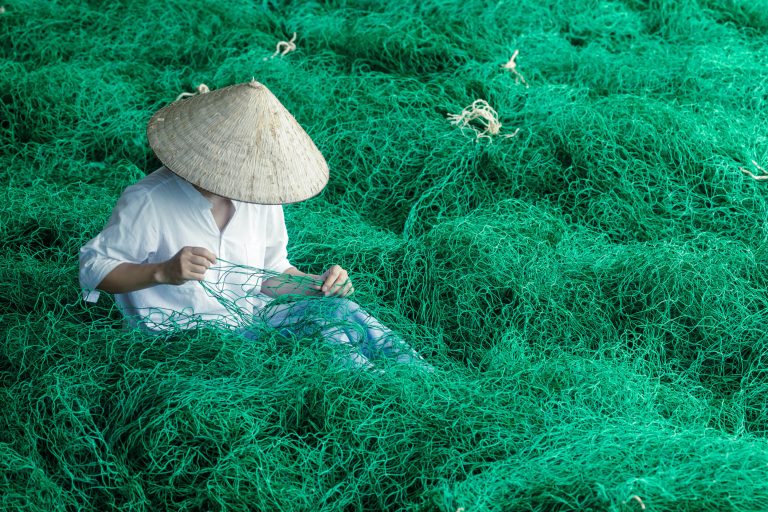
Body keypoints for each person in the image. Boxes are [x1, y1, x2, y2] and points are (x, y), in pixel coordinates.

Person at [79, 80, 431, 372]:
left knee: (339, 312)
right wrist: (163, 272)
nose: (242, 178)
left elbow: (268, 274)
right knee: (328, 344)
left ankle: (415, 377)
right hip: (187, 342)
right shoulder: (149, 201)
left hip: (250, 319)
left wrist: (318, 286)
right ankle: (374, 388)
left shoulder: (258, 193)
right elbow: (96, 268)